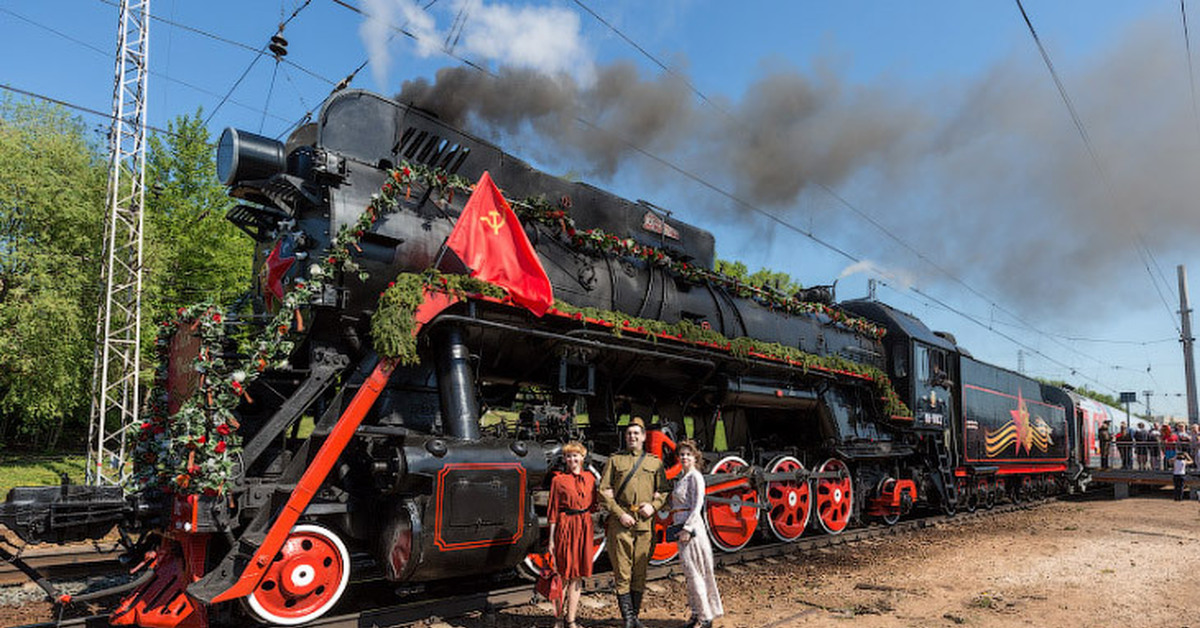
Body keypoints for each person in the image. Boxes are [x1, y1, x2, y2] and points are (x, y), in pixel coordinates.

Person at [599, 417, 667, 628]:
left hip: (644, 523)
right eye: (629, 434)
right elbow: (603, 492)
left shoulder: (654, 462)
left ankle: (634, 617)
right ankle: (628, 619)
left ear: (644, 437)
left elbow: (664, 490)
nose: (632, 437)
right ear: (625, 437)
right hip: (622, 522)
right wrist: (619, 513)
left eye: (636, 433)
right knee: (622, 572)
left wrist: (654, 506)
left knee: (640, 570)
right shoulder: (615, 461)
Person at [671, 440, 723, 628]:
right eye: (682, 454)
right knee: (689, 572)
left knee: (695, 572)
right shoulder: (682, 477)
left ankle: (705, 617)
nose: (684, 457)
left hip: (690, 530)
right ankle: (696, 613)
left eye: (688, 454)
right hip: (681, 527)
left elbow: (697, 505)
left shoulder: (695, 477)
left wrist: (687, 528)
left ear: (695, 457)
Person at [547, 441, 596, 628]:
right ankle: (558, 619)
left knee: (577, 577)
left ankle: (571, 620)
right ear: (565, 459)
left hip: (584, 526)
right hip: (566, 527)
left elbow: (595, 504)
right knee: (563, 576)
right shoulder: (558, 481)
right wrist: (551, 539)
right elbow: (552, 511)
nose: (572, 459)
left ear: (583, 457)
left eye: (575, 455)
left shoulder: (590, 478)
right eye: (568, 456)